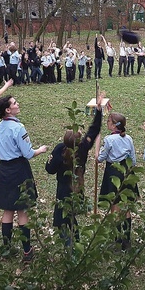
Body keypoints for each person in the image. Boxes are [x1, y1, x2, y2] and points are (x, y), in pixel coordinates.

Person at [0, 95, 48, 262]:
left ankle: (6, 248)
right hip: (18, 170)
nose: (18, 104)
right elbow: (28, 153)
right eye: (15, 103)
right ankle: (27, 251)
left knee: (7, 210)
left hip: (3, 169)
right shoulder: (18, 128)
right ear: (8, 110)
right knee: (23, 209)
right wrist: (41, 149)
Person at [46, 91, 104, 242]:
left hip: (63, 189)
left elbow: (49, 169)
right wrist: (98, 111)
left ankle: (71, 245)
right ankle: (73, 242)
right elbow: (94, 129)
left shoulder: (60, 149)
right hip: (77, 187)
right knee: (69, 217)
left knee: (63, 218)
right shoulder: (83, 149)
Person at [97, 104, 138, 249]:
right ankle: (126, 238)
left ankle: (117, 239)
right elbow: (133, 160)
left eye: (109, 121)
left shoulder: (109, 140)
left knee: (115, 207)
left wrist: (97, 154)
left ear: (114, 125)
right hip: (126, 173)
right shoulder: (129, 139)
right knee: (125, 206)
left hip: (113, 173)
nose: (107, 123)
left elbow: (101, 158)